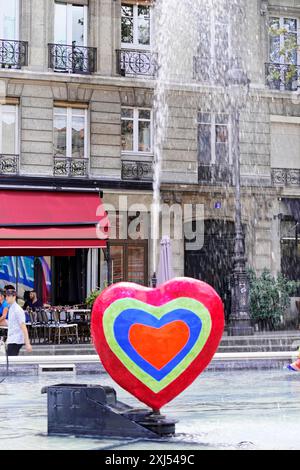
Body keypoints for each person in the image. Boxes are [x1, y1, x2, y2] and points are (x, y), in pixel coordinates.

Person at [5, 288, 32, 356]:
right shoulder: (11, 308)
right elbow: (11, 324)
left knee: (11, 362)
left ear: (14, 296)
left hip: (16, 340)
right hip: (12, 339)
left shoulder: (18, 310)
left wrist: (27, 343)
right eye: (6, 295)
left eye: (8, 296)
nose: (6, 297)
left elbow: (23, 327)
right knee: (10, 362)